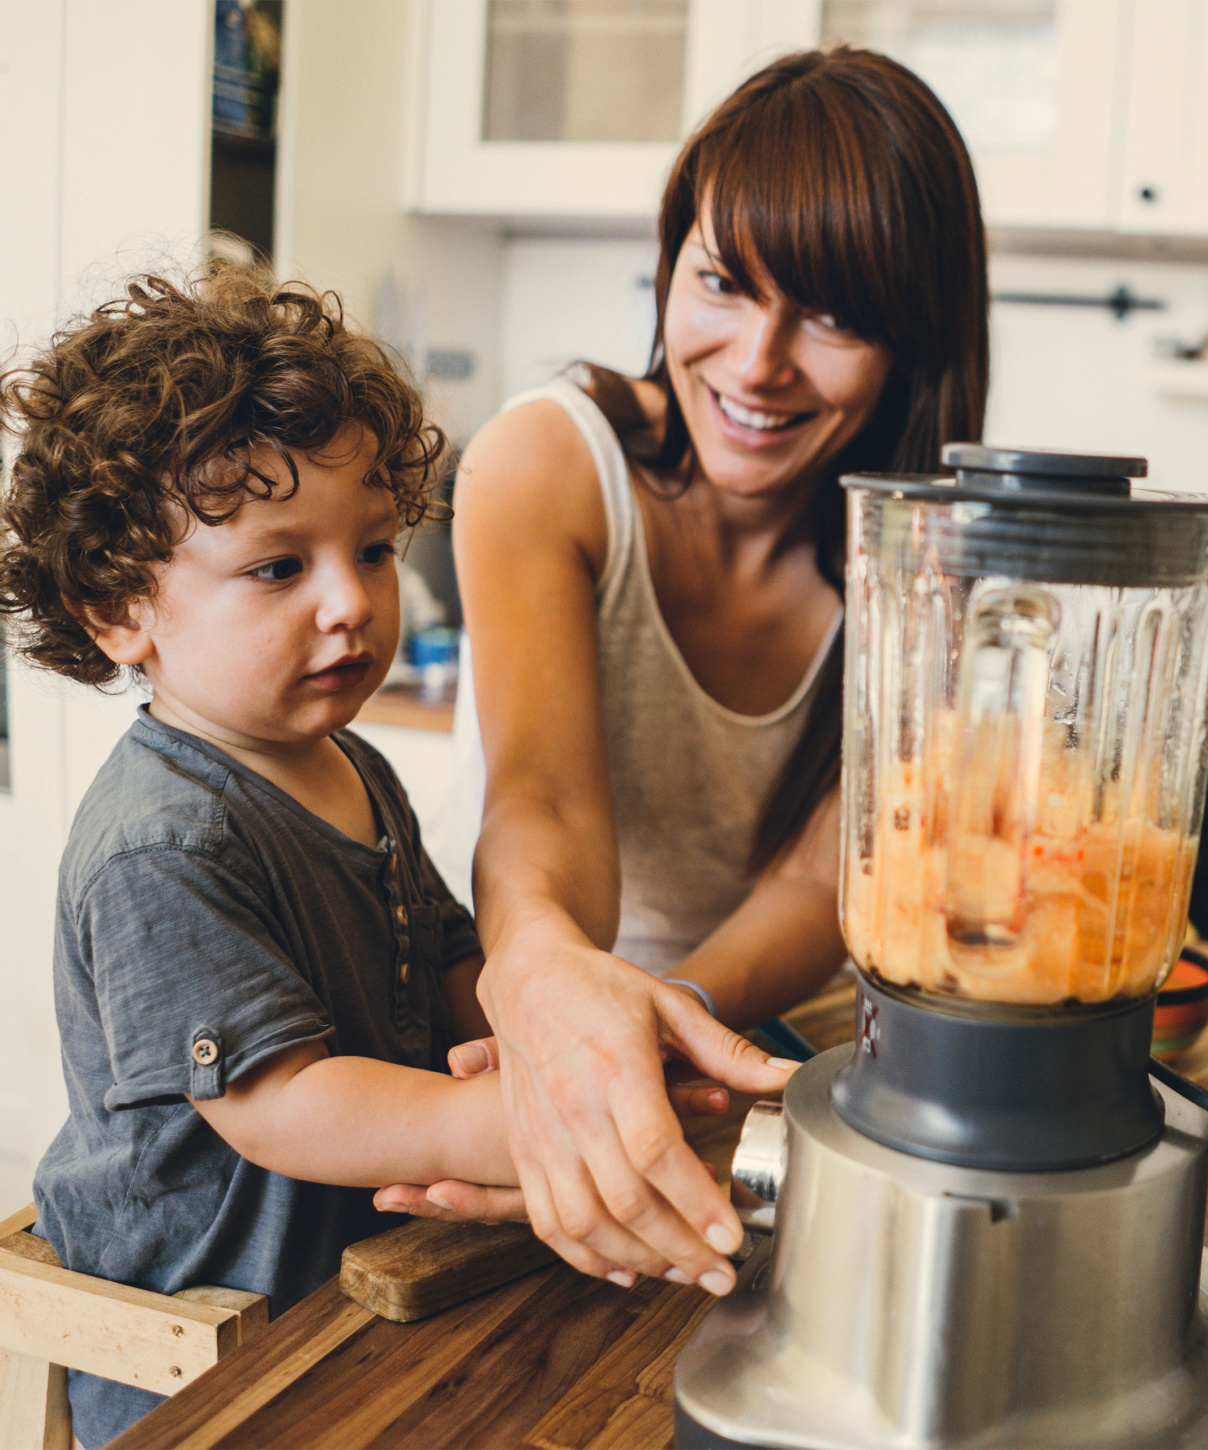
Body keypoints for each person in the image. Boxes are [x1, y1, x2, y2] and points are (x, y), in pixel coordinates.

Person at [0, 268, 729, 1448]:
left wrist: (561, 1054)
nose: (351, 602)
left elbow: (447, 963)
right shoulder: (160, 841)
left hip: (364, 1291)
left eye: (376, 550)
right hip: (210, 1357)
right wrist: (517, 1125)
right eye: (279, 568)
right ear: (117, 607)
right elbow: (282, 1105)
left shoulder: (353, 763)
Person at [387, 48, 989, 1291]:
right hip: (487, 1019)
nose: (757, 361)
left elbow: (821, 880)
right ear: (668, 264)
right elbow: (543, 804)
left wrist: (661, 1030)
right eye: (721, 281)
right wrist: (551, 990)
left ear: (913, 342)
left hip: (719, 1051)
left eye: (832, 315)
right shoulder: (546, 463)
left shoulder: (933, 563)